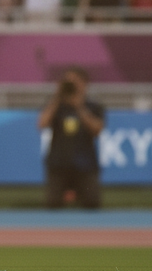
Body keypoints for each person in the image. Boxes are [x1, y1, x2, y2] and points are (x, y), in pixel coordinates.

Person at [38, 67, 105, 209]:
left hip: (85, 165)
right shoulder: (56, 106)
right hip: (58, 164)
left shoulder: (93, 107)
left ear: (84, 84)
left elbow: (97, 130)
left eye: (75, 82)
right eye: (68, 82)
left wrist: (79, 106)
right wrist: (58, 96)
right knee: (53, 204)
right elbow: (42, 124)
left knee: (92, 203)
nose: (71, 85)